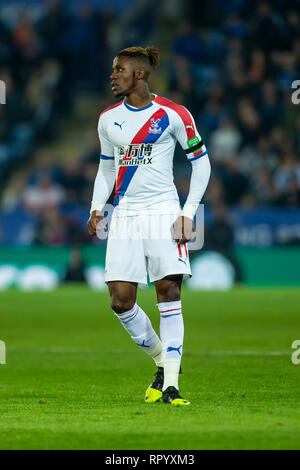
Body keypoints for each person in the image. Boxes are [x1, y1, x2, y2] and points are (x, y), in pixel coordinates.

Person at [87, 46, 211, 406]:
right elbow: (107, 167)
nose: (113, 75)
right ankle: (162, 360)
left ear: (139, 74)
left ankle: (171, 385)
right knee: (120, 301)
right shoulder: (108, 119)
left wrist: (188, 213)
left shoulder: (174, 114)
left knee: (168, 292)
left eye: (119, 70)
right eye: (113, 70)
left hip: (163, 211)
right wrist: (97, 206)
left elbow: (201, 164)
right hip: (123, 214)